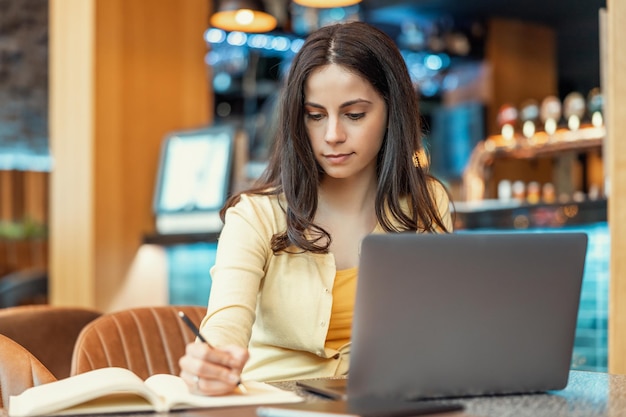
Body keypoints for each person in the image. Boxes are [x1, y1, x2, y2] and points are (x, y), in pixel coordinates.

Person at [178, 21, 453, 396]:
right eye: (315, 115)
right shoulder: (255, 215)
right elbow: (225, 325)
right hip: (279, 403)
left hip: (384, 399)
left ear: (393, 113)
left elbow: (438, 329)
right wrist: (212, 361)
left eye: (354, 115)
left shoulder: (426, 203)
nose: (332, 135)